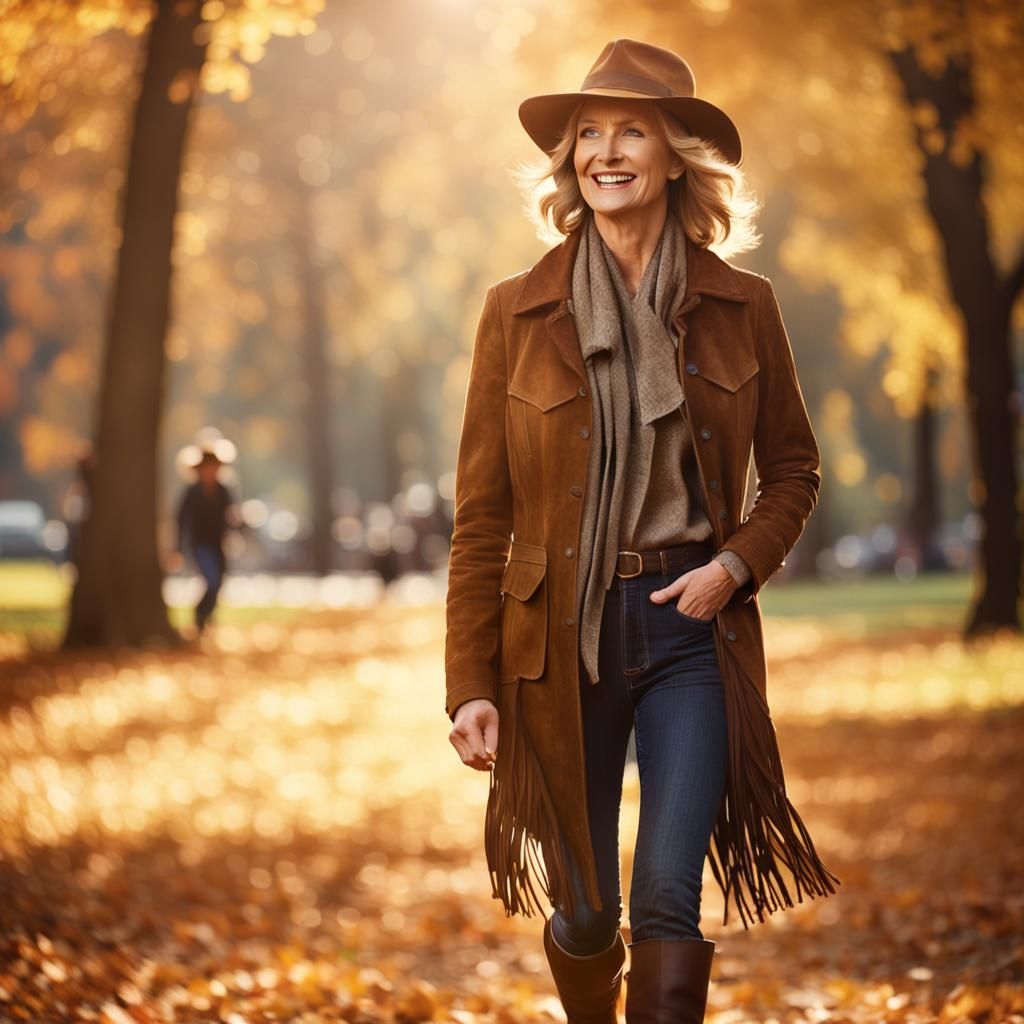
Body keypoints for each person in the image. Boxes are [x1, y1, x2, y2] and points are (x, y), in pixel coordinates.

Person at [444, 38, 841, 1023]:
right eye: (589, 134)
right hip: (556, 645)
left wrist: (734, 566)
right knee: (585, 912)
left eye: (631, 131)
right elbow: (482, 518)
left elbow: (794, 469)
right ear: (569, 159)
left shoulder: (743, 306)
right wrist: (469, 683)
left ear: (673, 158)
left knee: (668, 894)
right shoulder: (514, 313)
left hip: (689, 632)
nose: (606, 152)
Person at [174, 431, 241, 637]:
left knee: (218, 582)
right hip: (200, 545)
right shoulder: (192, 492)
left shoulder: (223, 491)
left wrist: (238, 529)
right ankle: (199, 617)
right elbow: (181, 521)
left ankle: (206, 618)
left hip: (218, 544)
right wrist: (177, 549)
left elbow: (231, 517)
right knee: (211, 580)